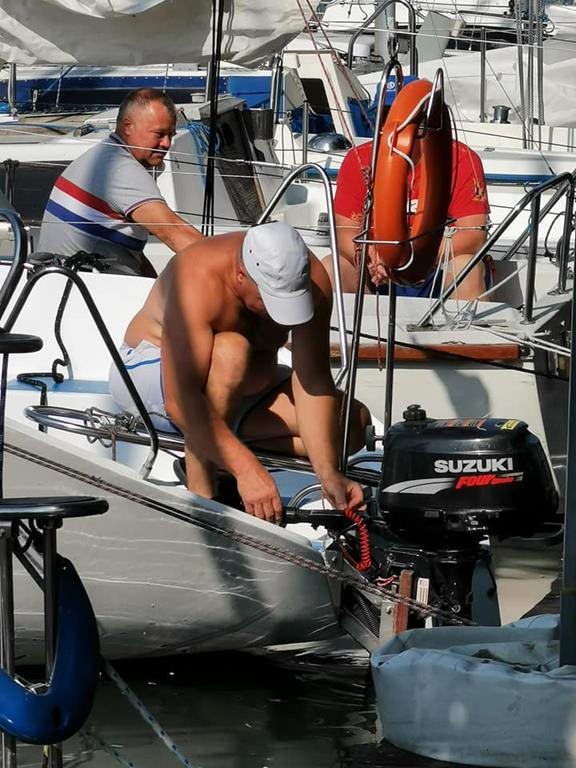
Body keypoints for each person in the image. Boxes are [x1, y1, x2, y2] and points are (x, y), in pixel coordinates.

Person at [109, 221, 371, 524]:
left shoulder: (310, 279)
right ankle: (205, 494)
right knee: (232, 350)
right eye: (270, 301)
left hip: (238, 391)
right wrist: (246, 469)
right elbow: (181, 400)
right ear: (240, 275)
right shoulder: (196, 275)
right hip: (149, 376)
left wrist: (328, 474)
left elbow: (312, 380)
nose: (279, 315)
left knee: (352, 424)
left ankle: (223, 443)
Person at [38, 88, 203, 276]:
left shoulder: (104, 155)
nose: (167, 143)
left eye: (171, 135)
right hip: (86, 287)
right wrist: (228, 270)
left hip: (62, 280)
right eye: (159, 134)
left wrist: (154, 282)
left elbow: (130, 254)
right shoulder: (120, 169)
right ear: (127, 126)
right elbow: (176, 234)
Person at [323, 132, 491, 300]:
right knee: (331, 268)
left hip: (437, 268)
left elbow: (474, 237)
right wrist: (374, 256)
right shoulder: (359, 158)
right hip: (376, 271)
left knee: (467, 270)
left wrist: (408, 257)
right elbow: (343, 231)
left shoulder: (461, 158)